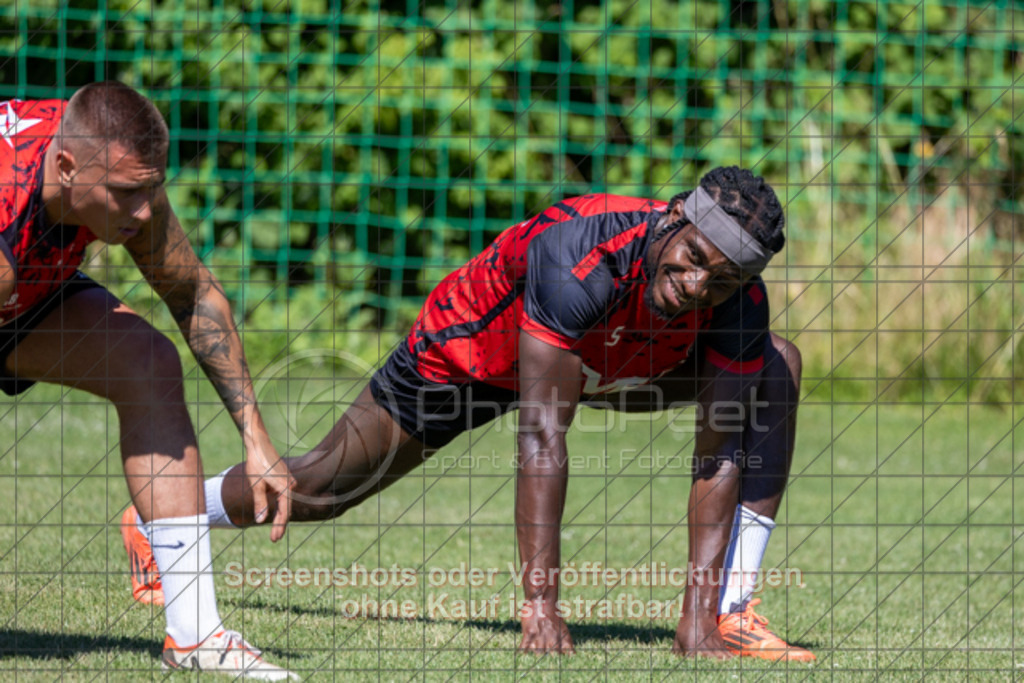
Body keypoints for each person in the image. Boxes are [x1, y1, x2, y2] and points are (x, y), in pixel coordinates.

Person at [129, 166, 815, 661]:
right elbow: (543, 437)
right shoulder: (580, 254)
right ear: (672, 218)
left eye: (721, 280)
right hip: (469, 358)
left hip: (609, 358)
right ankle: (166, 518)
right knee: (320, 488)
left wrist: (694, 622)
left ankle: (728, 611)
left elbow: (720, 449)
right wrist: (541, 603)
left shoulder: (731, 302)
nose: (698, 286)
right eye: (694, 259)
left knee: (774, 365)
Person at [0, 83, 298, 679]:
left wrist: (255, 439)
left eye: (151, 189)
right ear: (65, 167)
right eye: (127, 194)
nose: (144, 210)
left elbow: (193, 295)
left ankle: (197, 637)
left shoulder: (109, 161)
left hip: (26, 291)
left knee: (149, 363)